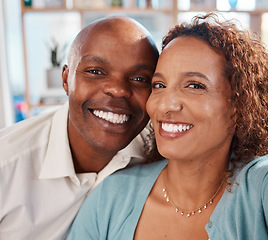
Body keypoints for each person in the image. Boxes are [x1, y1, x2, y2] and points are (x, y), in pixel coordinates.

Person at [68, 13, 268, 240]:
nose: (166, 105)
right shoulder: (111, 197)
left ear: (238, 105)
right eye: (159, 85)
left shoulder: (266, 187)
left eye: (194, 86)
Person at [0, 16, 159, 240]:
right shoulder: (6, 164)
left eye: (140, 78)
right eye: (95, 71)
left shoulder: (157, 153)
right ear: (66, 80)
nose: (118, 90)